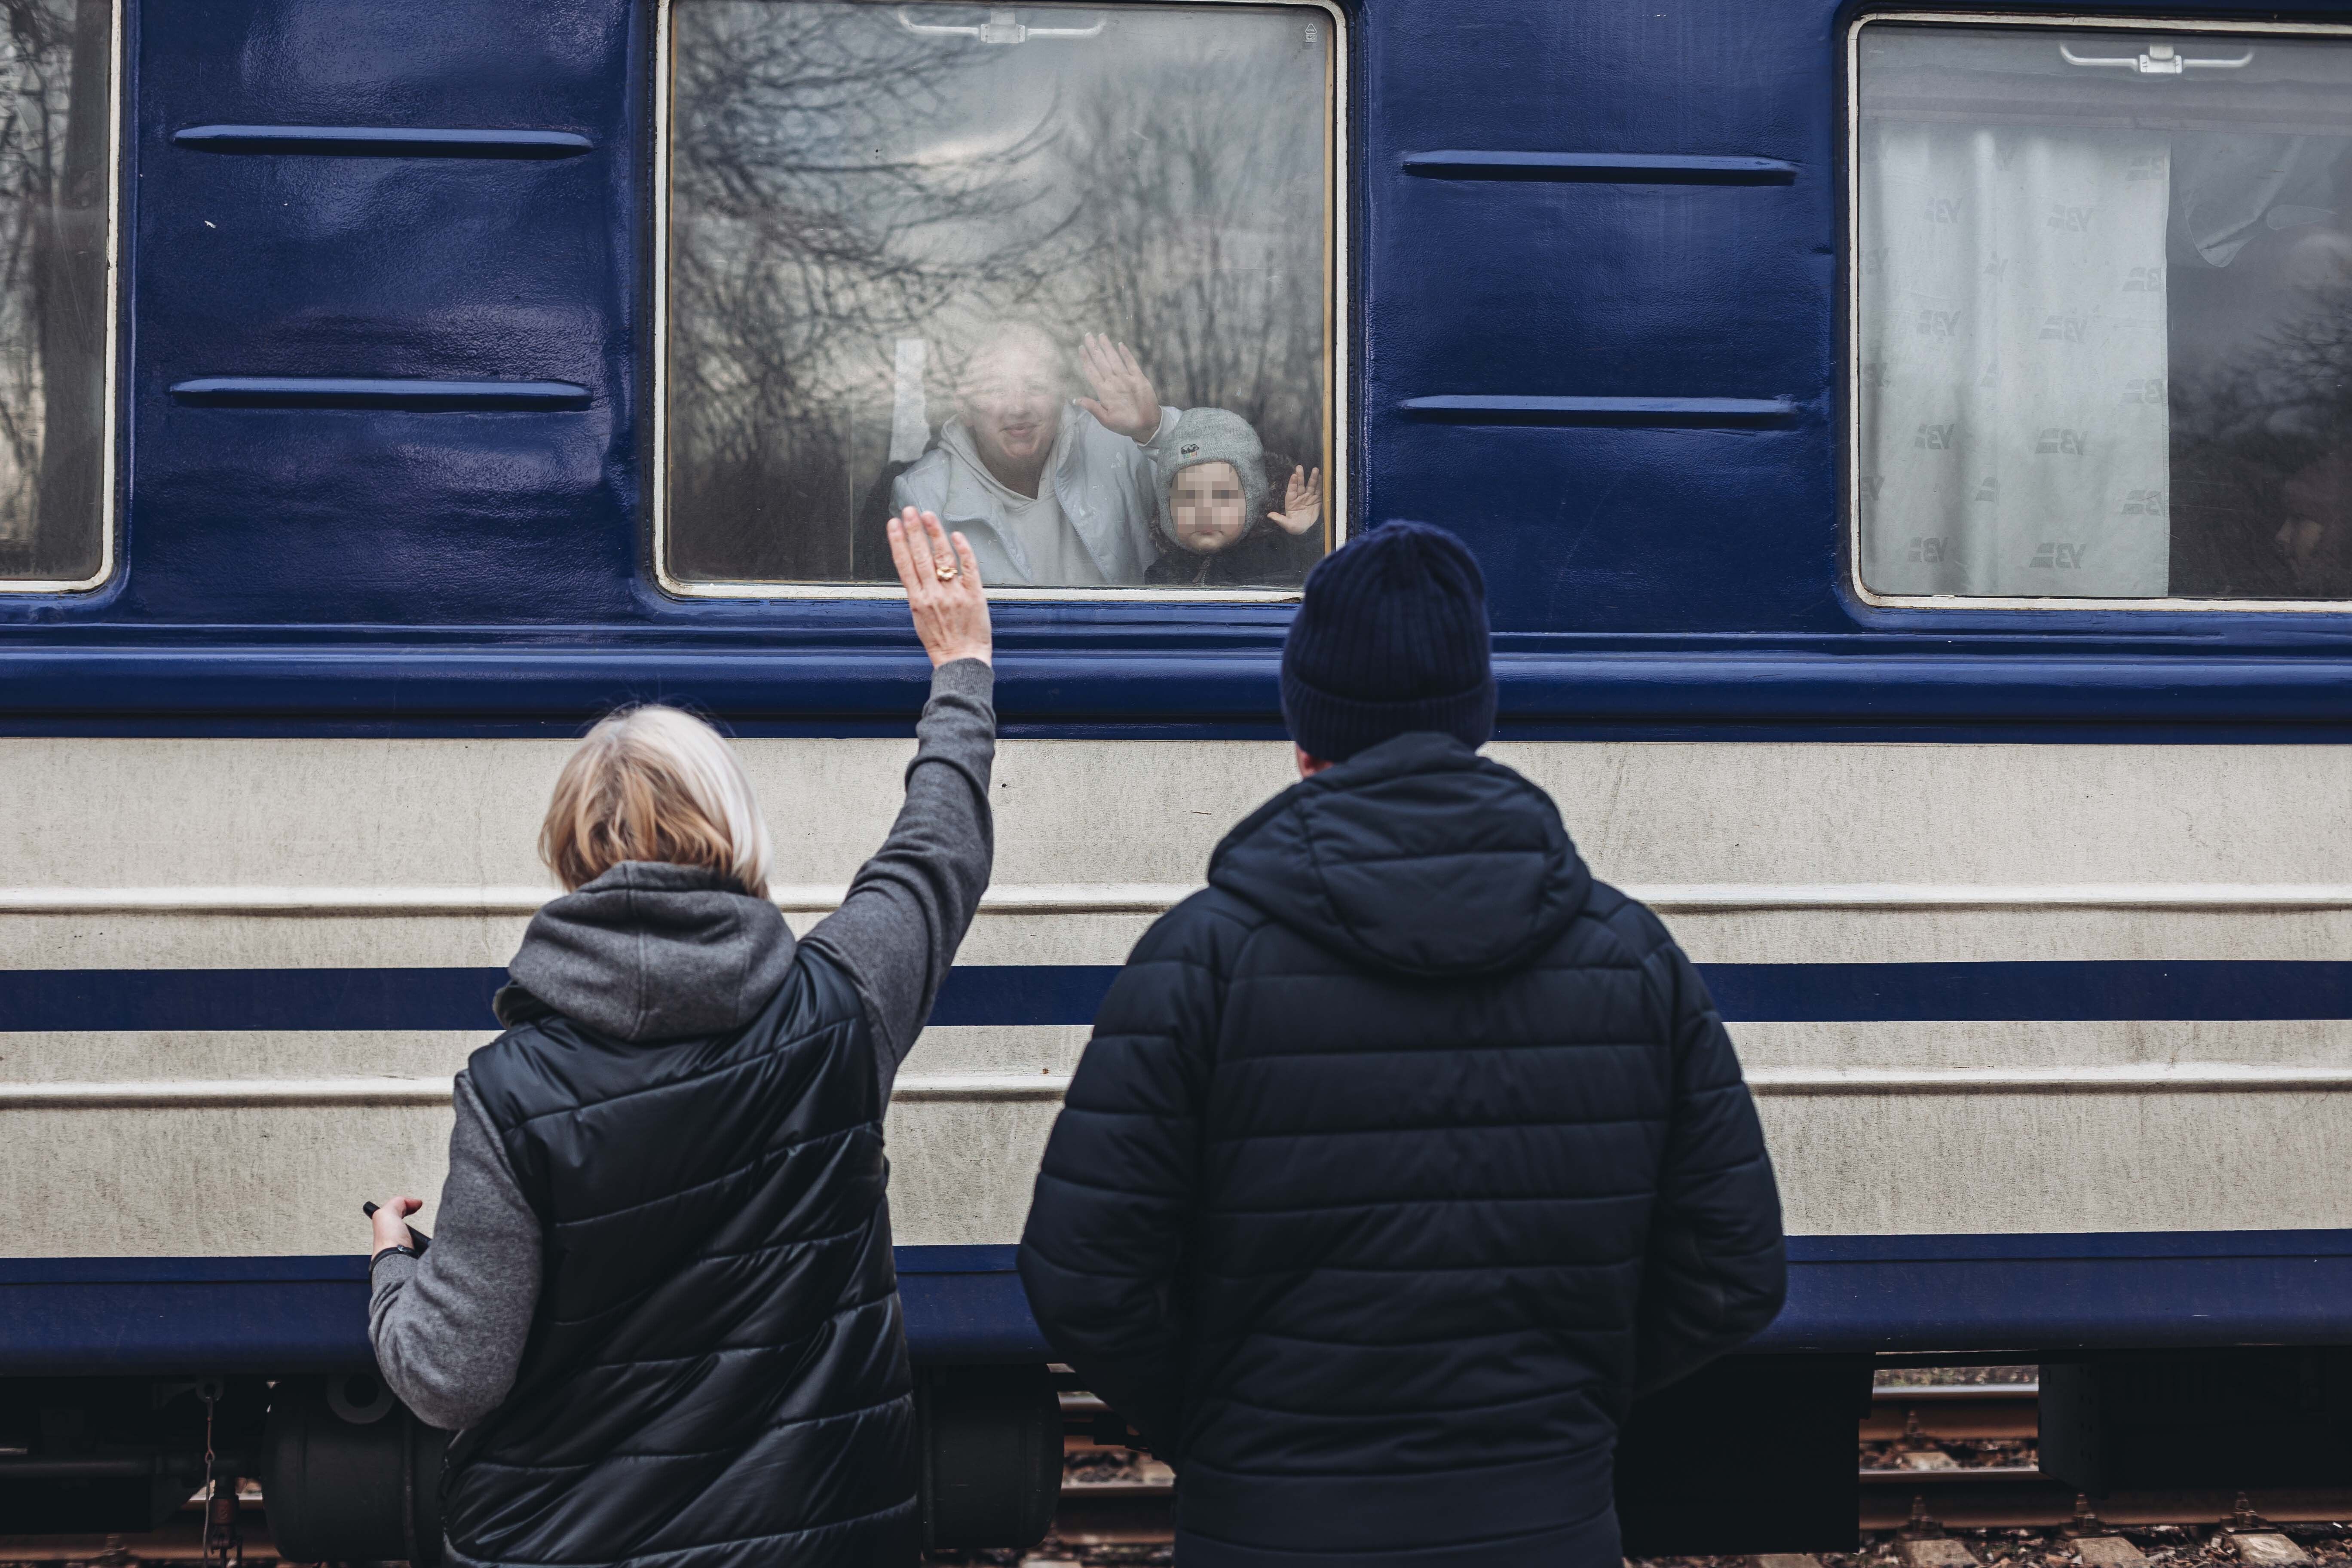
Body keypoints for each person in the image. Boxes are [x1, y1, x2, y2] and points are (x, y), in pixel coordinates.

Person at [1016, 521, 1787, 1568]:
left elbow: (1083, 1279)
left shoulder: (1200, 958)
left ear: (1303, 736)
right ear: (1475, 719)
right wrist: (1563, 1408)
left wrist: (1227, 1428)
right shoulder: (1631, 957)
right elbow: (1732, 1272)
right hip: (1544, 1522)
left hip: (1269, 1529)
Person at [364, 506, 995, 1568]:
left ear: (568, 852)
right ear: (735, 835)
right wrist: (961, 669)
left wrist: (392, 1265)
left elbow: (449, 1377)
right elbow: (938, 849)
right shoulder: (838, 1011)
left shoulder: (511, 1094)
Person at [889, 324, 1179, 586]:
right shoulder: (923, 497)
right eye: (995, 389)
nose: (1018, 407)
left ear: (1061, 395)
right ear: (964, 407)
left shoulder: (1120, 443)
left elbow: (1216, 471)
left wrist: (1155, 430)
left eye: (1037, 387)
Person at [1143, 406, 1325, 588]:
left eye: (1223, 496)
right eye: (1189, 497)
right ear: (1168, 511)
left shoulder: (1273, 559)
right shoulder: (1161, 576)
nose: (1205, 511)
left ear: (1252, 503)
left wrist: (1307, 536)